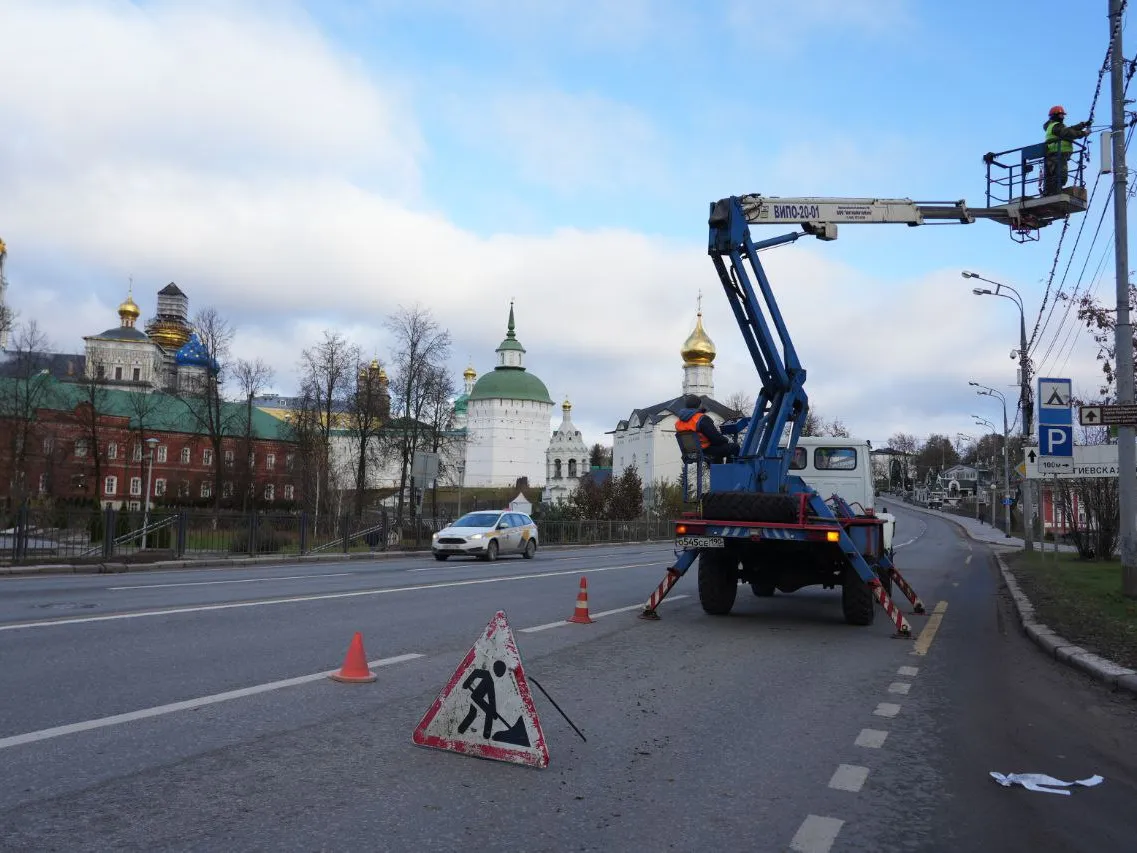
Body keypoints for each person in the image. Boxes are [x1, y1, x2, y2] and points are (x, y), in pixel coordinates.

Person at [675, 394, 739, 463]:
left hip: (689, 453)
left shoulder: (678, 422)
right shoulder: (701, 418)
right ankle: (729, 472)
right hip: (704, 450)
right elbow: (716, 439)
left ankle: (717, 472)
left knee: (717, 451)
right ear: (699, 405)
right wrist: (726, 440)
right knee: (734, 447)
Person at [1042, 105, 1090, 196]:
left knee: (1053, 176)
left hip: (1054, 155)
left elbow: (1069, 129)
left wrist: (1082, 125)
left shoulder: (1053, 126)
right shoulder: (1056, 126)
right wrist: (1083, 133)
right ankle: (1054, 193)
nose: (1063, 117)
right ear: (1055, 115)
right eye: (1061, 115)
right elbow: (1068, 133)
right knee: (1060, 176)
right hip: (1057, 155)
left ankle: (1050, 192)